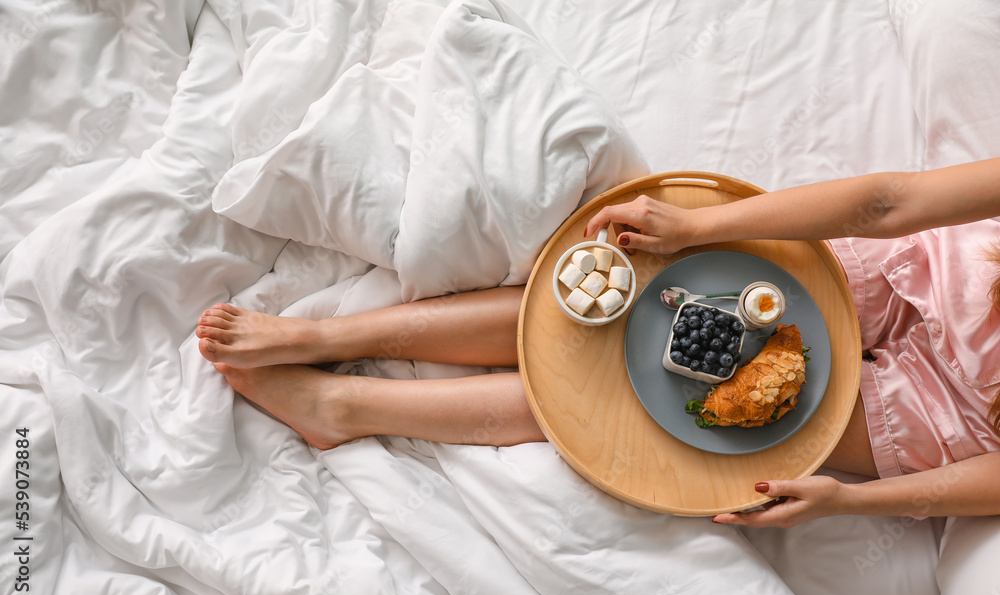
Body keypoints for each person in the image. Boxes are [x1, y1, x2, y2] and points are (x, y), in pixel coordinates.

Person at [196, 158, 1000, 528]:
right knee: (636, 313)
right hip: (916, 268)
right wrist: (695, 227)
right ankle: (327, 334)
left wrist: (852, 502)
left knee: (658, 405)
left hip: (960, 412)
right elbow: (893, 202)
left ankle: (345, 404)